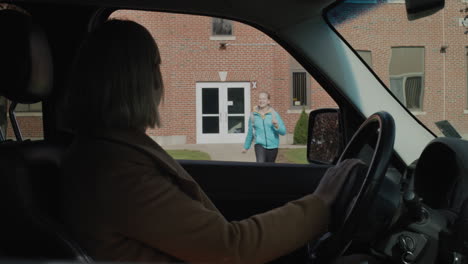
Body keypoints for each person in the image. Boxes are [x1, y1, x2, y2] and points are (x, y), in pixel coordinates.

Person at [61, 19, 364, 264]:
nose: (160, 81)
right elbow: (229, 248)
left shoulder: (110, 155)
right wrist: (322, 202)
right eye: (156, 66)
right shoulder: (116, 171)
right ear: (138, 81)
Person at [242, 92, 286, 163]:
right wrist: (246, 146)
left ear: (268, 101)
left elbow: (283, 132)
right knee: (261, 164)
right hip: (259, 145)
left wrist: (276, 126)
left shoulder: (274, 114)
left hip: (273, 146)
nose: (261, 101)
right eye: (259, 99)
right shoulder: (253, 115)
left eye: (264, 99)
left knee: (269, 168)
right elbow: (250, 132)